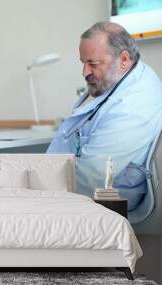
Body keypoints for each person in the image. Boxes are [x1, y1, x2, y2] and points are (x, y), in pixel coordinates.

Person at [47, 21, 162, 211]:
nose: (85, 72)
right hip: (79, 190)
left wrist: (39, 190)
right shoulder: (121, 79)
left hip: (100, 203)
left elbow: (92, 178)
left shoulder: (133, 105)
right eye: (83, 63)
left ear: (124, 60)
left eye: (93, 64)